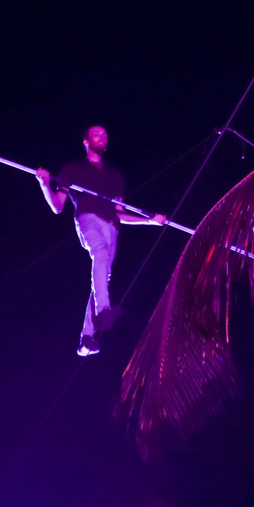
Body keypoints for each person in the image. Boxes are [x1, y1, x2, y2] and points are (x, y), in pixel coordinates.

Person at [36, 125, 166, 357]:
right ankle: (104, 309)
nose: (102, 137)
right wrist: (44, 184)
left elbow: (119, 213)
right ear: (85, 141)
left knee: (101, 280)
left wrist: (150, 222)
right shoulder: (73, 169)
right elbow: (57, 206)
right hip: (87, 218)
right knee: (100, 256)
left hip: (111, 228)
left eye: (105, 134)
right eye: (97, 134)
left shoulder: (115, 176)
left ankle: (86, 339)